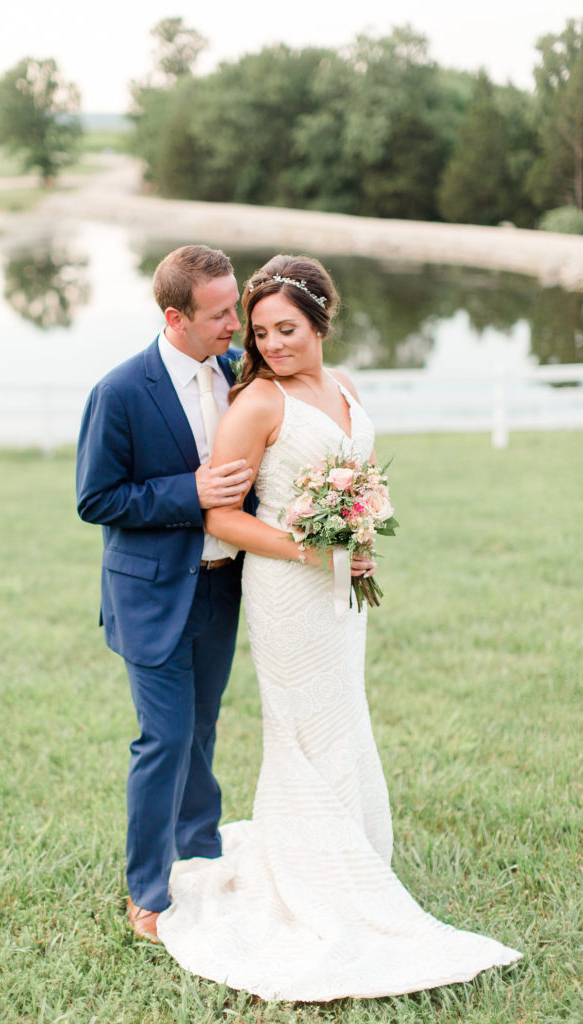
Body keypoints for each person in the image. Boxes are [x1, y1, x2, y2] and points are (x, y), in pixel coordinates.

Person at [156, 254, 522, 1000]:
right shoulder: (256, 402)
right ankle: (314, 881)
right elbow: (223, 514)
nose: (271, 345)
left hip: (336, 590)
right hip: (287, 591)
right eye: (258, 333)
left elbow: (356, 480)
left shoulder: (344, 386)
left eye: (285, 328)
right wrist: (312, 548)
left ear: (322, 317)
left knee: (340, 718)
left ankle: (350, 855)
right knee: (301, 725)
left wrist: (354, 544)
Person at [75, 245, 253, 942]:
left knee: (201, 731)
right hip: (150, 596)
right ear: (175, 317)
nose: (234, 323)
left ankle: (201, 853)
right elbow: (96, 498)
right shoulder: (119, 392)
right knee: (165, 739)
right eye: (219, 313)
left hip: (220, 589)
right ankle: (146, 888)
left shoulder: (236, 373)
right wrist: (191, 493)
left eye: (234, 306)